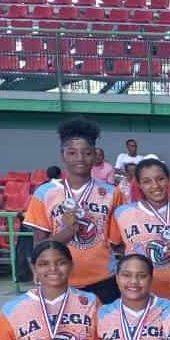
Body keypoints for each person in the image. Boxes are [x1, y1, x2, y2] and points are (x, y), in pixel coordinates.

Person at [25, 119, 124, 304]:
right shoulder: (44, 193)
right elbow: (39, 247)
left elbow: (117, 243)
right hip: (61, 279)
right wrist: (67, 232)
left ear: (95, 155)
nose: (80, 158)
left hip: (104, 279)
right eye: (72, 152)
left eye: (86, 153)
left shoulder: (112, 193)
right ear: (63, 155)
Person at [110, 157, 170, 300]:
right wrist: (137, 251)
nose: (155, 186)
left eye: (160, 179)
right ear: (139, 185)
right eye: (147, 181)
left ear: (168, 180)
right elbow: (116, 246)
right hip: (138, 294)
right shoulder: (122, 213)